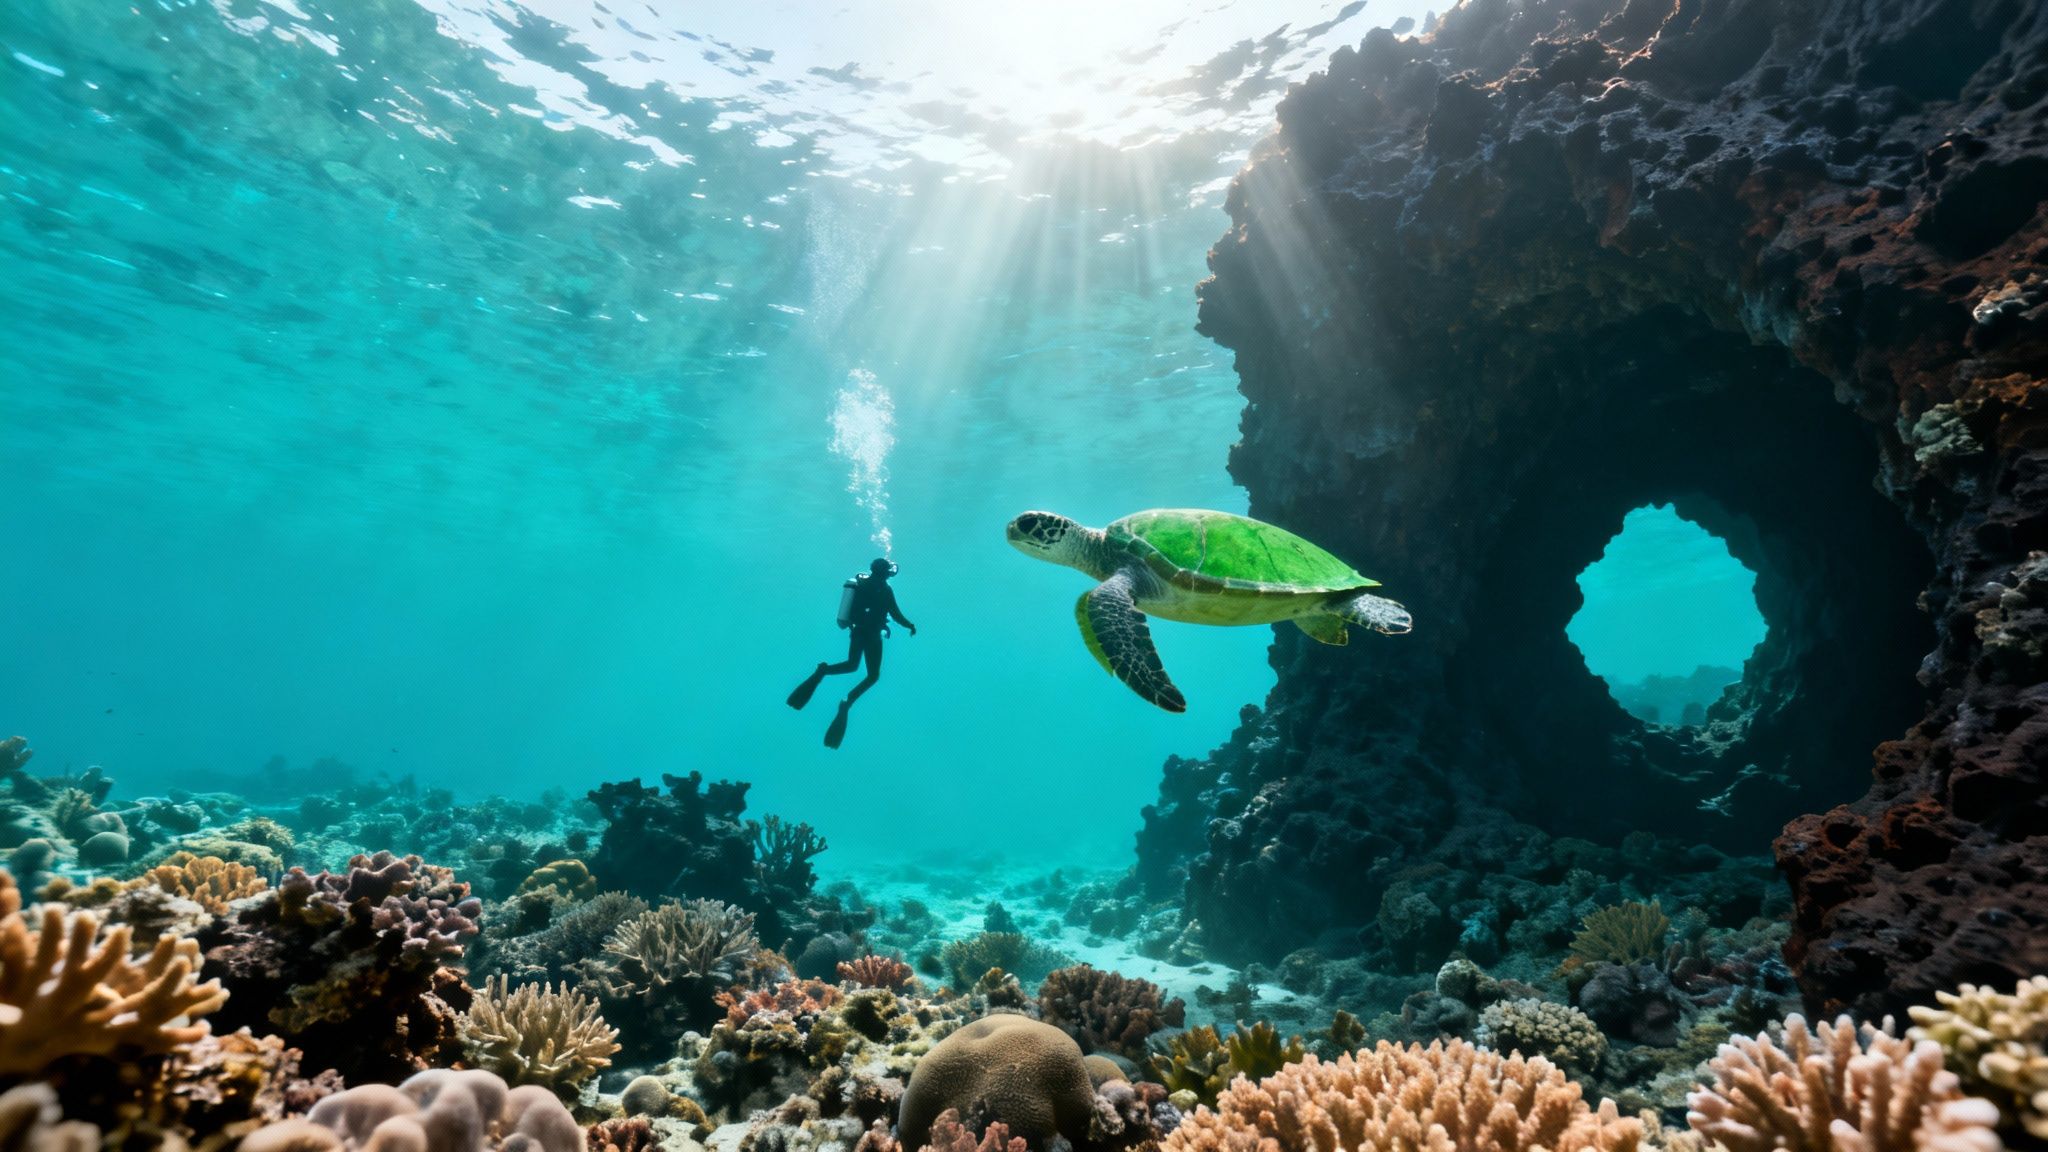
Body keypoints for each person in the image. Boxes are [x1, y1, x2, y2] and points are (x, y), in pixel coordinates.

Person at [788, 557, 916, 748]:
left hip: (857, 633)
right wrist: (910, 625)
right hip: (872, 636)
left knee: (851, 665)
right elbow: (896, 614)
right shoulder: (886, 590)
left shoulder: (860, 584)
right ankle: (847, 701)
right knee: (872, 676)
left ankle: (822, 672)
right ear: (886, 572)